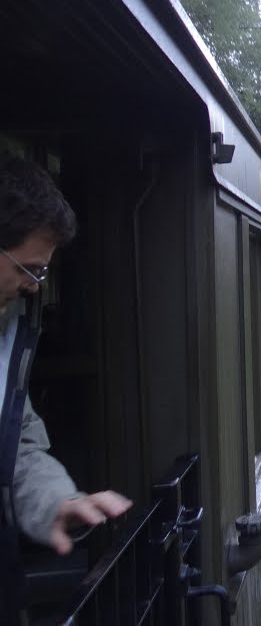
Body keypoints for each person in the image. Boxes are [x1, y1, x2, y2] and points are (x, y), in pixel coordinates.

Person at [0, 151, 131, 613]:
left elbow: (15, 448)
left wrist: (57, 502)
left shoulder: (10, 325)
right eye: (28, 269)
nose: (36, 285)